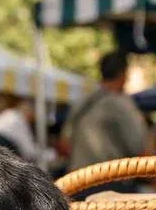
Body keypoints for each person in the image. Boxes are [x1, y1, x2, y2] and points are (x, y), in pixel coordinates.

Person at [64, 51, 149, 196]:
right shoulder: (120, 103)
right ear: (123, 74)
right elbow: (139, 150)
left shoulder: (82, 102)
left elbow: (64, 144)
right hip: (111, 184)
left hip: (76, 183)